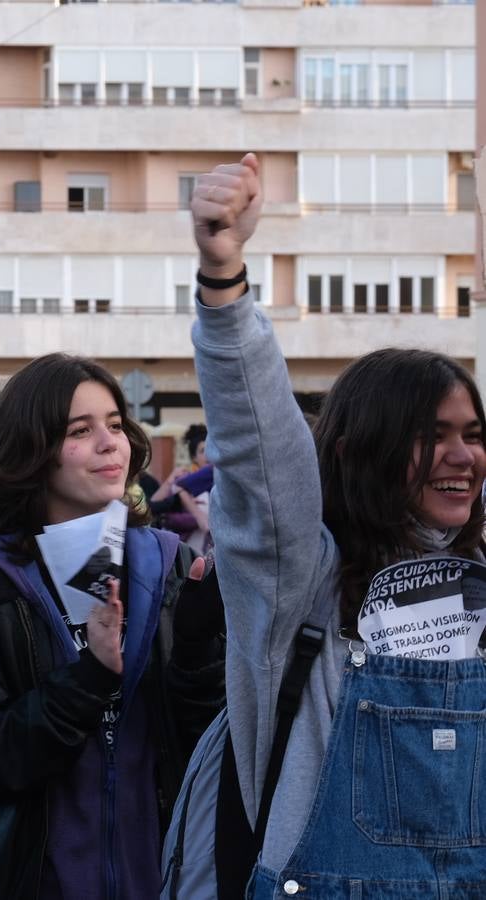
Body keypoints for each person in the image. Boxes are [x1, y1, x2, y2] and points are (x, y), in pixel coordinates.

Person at [190, 154, 486, 896]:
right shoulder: (298, 581)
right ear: (360, 453)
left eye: (474, 433)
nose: (461, 456)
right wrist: (224, 286)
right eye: (431, 434)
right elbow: (258, 454)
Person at [0, 354, 226, 899]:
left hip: (164, 875)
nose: (109, 443)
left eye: (115, 425)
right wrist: (88, 680)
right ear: (32, 450)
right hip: (35, 878)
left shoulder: (168, 562)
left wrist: (196, 649)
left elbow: (206, 744)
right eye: (80, 430)